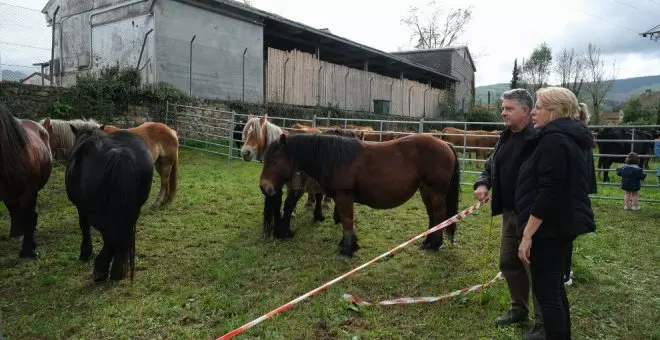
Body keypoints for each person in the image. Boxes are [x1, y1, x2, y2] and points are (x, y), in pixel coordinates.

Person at [516, 87, 596, 340]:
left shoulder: (554, 139)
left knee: (547, 294)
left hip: (549, 229)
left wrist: (527, 234)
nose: (534, 112)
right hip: (560, 226)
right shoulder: (568, 136)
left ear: (555, 111)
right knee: (555, 290)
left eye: (538, 106)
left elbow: (550, 191)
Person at [474, 88, 544, 340]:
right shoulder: (504, 137)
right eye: (503, 108)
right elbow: (490, 164)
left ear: (525, 111)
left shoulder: (538, 139)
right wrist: (483, 183)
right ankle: (518, 309)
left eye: (508, 108)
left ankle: (543, 323)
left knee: (534, 268)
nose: (503, 112)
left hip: (531, 216)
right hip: (508, 213)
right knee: (507, 262)